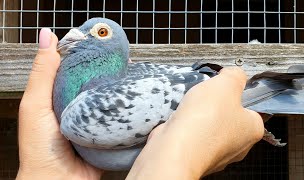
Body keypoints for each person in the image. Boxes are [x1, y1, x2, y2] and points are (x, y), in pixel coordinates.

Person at [16, 28, 264, 180]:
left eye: (101, 33)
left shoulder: (81, 114)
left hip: (206, 91)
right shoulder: (85, 105)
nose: (78, 35)